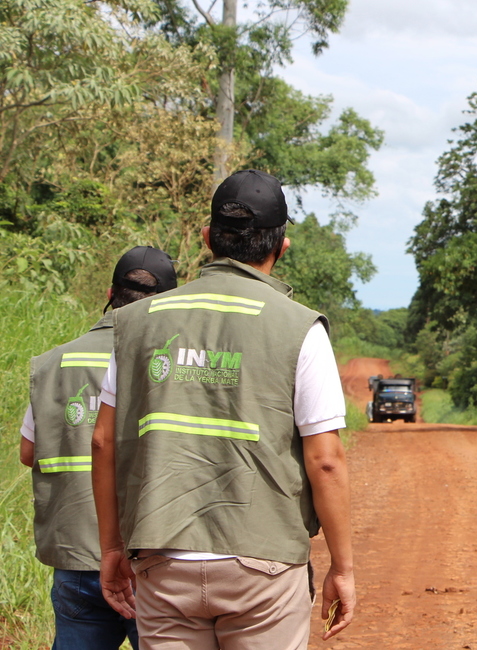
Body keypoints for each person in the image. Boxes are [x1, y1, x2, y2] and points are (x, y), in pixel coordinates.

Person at [90, 169, 355, 647]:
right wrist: (342, 566)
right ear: (281, 246)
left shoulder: (135, 322)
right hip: (264, 566)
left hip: (161, 559)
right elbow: (326, 460)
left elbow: (103, 440)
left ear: (208, 237)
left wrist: (111, 547)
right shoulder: (301, 329)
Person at [21, 245, 177, 649]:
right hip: (150, 558)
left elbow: (28, 452)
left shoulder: (54, 362)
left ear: (110, 295)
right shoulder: (171, 365)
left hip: (75, 557)